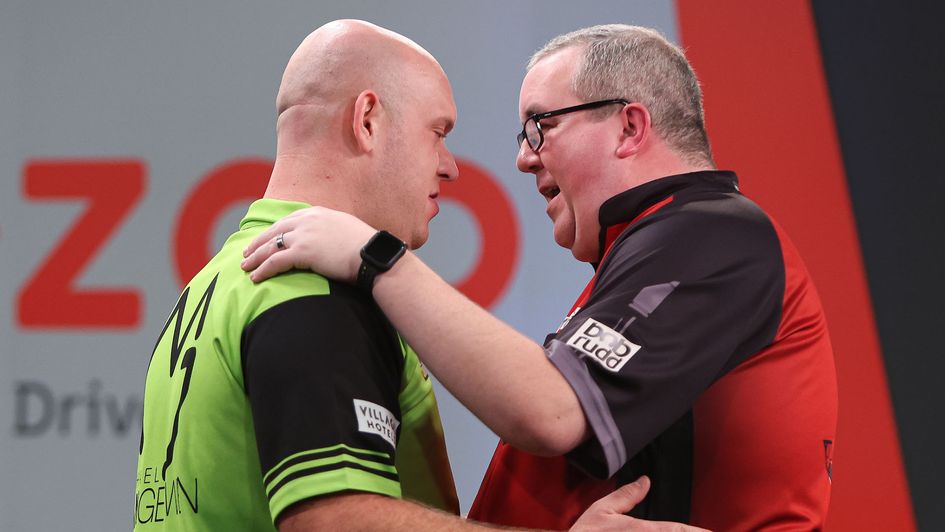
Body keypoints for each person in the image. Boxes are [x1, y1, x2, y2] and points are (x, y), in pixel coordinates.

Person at [241, 24, 839, 531]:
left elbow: (553, 414)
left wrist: (375, 259)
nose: (524, 157)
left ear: (630, 127)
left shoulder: (712, 237)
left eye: (541, 126)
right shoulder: (654, 251)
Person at [136, 19, 705, 532]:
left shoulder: (213, 285)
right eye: (438, 132)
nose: (451, 166)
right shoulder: (313, 288)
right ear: (367, 122)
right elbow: (333, 521)